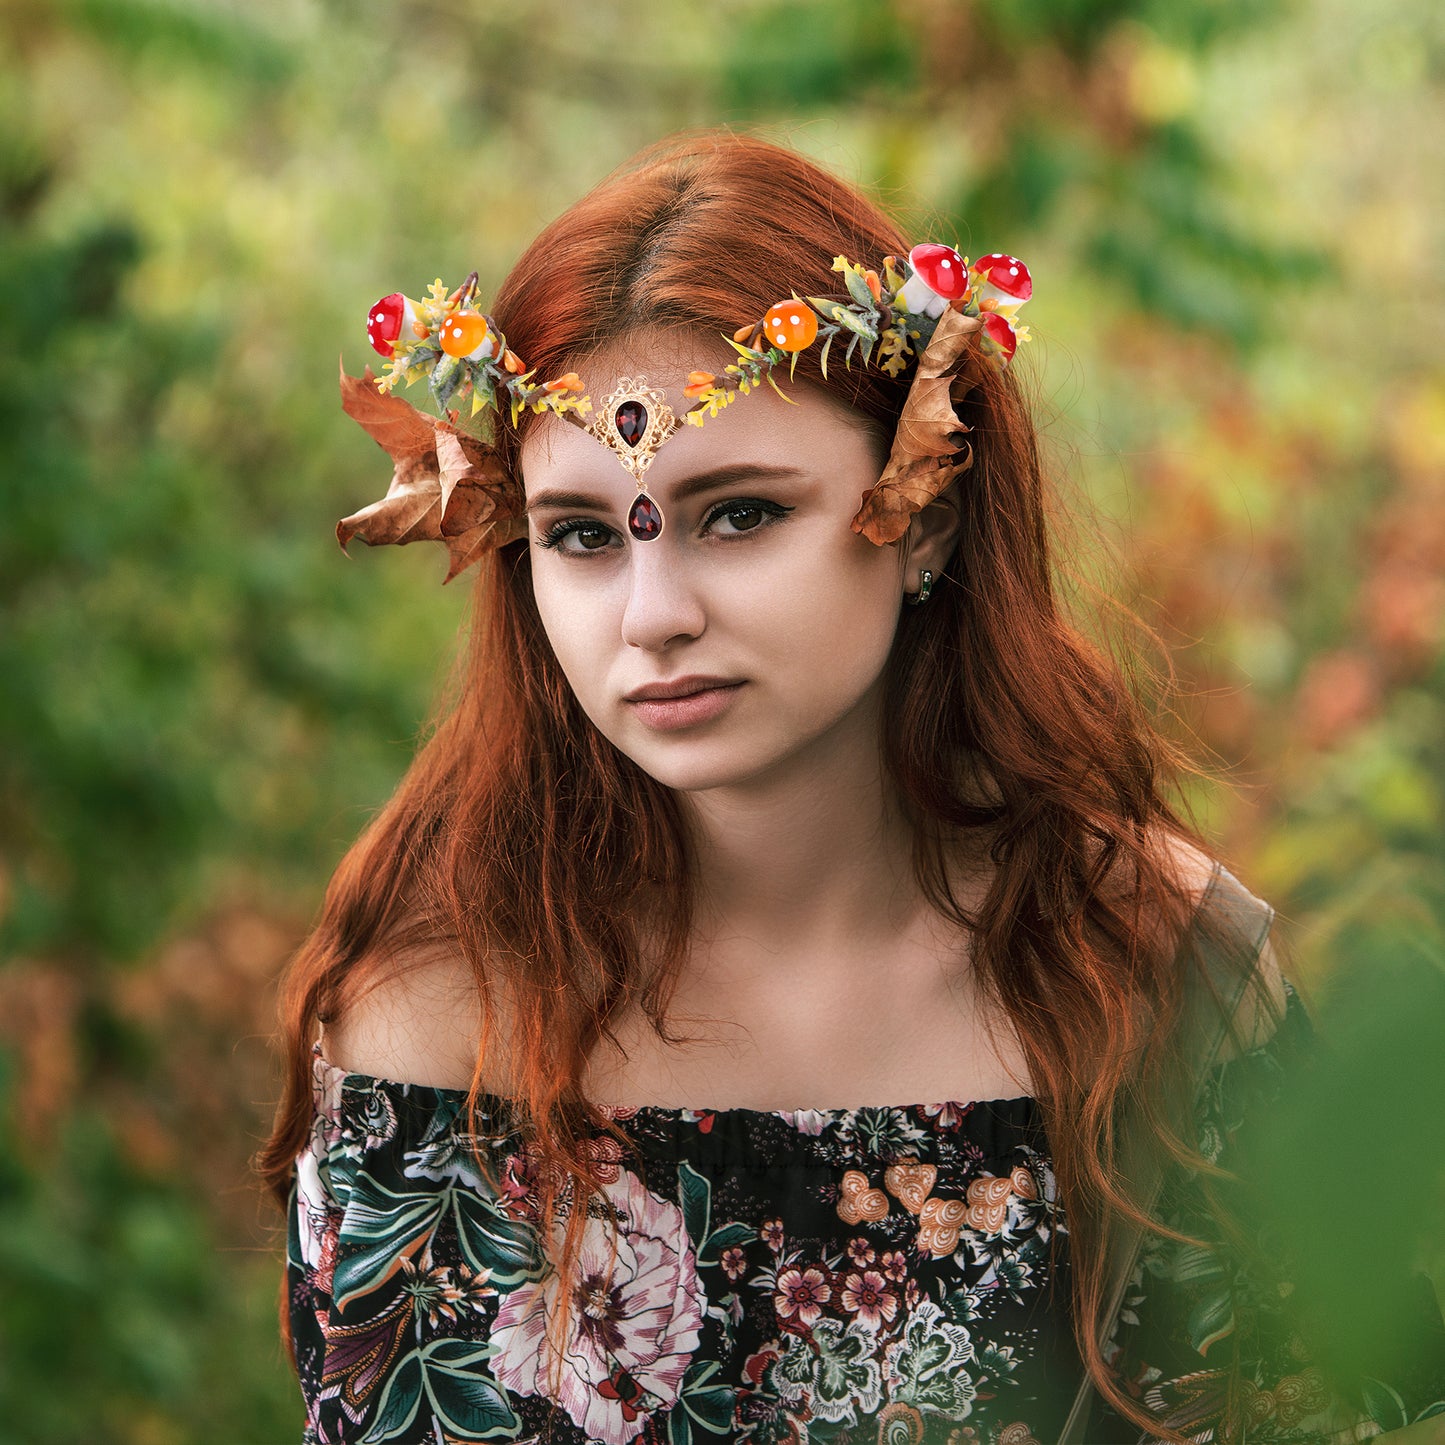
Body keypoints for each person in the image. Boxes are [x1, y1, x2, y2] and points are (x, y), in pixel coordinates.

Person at [256, 131, 1445, 1444]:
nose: (653, 615)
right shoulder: (437, 1017)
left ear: (922, 504)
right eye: (583, 536)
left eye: (740, 513)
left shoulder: (1146, 961)